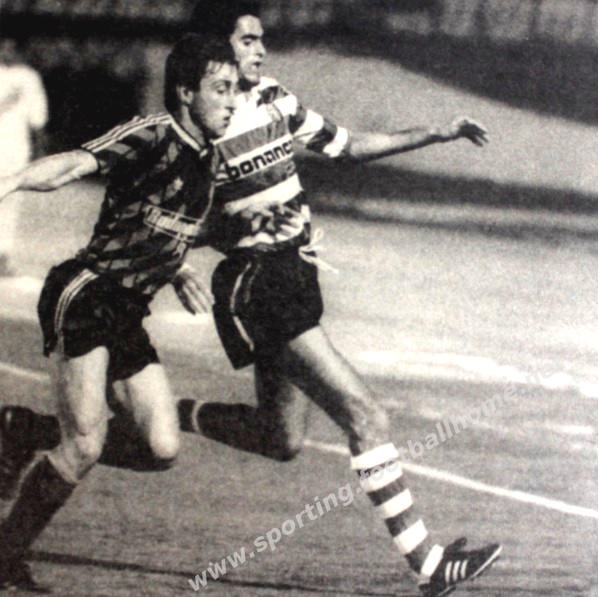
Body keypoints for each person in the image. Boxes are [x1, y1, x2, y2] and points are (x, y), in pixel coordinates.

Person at [0, 2, 501, 594]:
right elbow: (115, 186)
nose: (259, 51)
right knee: (364, 415)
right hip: (241, 288)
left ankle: (35, 430)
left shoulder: (265, 107)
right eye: (246, 42)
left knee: (272, 438)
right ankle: (429, 566)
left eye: (261, 41)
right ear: (212, 59)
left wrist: (435, 133)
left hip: (278, 278)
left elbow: (340, 149)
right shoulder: (185, 133)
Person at [0, 34, 237, 591]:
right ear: (186, 91)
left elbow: (160, 219)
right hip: (85, 294)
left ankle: (22, 429)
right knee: (84, 445)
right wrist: (9, 181)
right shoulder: (152, 133)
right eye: (221, 88)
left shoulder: (210, 159)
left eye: (235, 90)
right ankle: (5, 555)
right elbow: (73, 164)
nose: (232, 101)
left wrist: (176, 266)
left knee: (160, 448)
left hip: (127, 311)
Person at [0, 38, 48, 276]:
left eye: (11, 48)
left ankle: (2, 255)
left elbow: (37, 119)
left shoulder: (29, 77)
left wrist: (40, 152)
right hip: (8, 149)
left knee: (9, 202)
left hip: (15, 149)